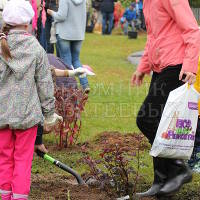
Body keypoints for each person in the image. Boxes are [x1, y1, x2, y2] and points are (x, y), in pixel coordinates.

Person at [131, 0, 200, 198]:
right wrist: (143, 67)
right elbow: (153, 37)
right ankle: (160, 182)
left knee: (146, 119)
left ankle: (178, 168)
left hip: (177, 67)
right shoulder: (147, 2)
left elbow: (192, 30)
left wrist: (190, 65)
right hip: (160, 67)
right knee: (161, 124)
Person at [0, 1, 62, 199]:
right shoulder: (36, 49)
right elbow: (45, 85)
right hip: (27, 116)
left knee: (4, 160)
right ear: (29, 22)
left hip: (2, 116)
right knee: (22, 161)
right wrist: (49, 114)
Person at [47, 0, 90, 93]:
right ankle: (85, 84)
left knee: (66, 61)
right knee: (76, 59)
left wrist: (52, 13)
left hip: (64, 33)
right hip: (78, 33)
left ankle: (70, 87)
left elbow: (61, 16)